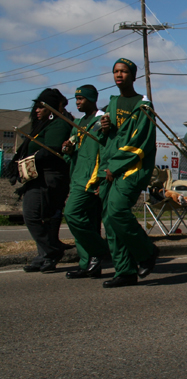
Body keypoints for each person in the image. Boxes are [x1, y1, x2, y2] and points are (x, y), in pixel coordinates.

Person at [97, 58, 159, 288]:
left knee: (117, 211)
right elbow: (108, 139)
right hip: (110, 168)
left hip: (131, 169)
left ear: (133, 76)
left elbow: (140, 142)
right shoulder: (111, 104)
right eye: (115, 71)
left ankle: (147, 251)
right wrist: (104, 130)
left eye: (123, 71)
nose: (118, 75)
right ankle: (125, 271)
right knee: (109, 219)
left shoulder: (143, 106)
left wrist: (114, 166)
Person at [11, 89, 72, 273]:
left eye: (41, 107)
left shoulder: (58, 124)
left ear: (50, 108)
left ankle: (51, 251)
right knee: (43, 218)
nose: (36, 110)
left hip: (49, 177)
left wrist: (29, 159)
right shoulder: (43, 125)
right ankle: (45, 255)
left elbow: (51, 150)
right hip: (37, 176)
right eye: (36, 107)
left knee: (33, 215)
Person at [62, 85, 109, 279]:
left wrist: (102, 179)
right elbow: (75, 150)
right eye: (76, 99)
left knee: (71, 213)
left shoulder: (103, 120)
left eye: (81, 99)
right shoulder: (78, 122)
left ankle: (100, 250)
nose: (77, 102)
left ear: (91, 99)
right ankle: (87, 264)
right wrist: (68, 149)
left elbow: (106, 149)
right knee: (86, 222)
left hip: (91, 179)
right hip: (77, 176)